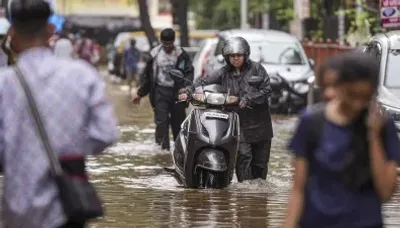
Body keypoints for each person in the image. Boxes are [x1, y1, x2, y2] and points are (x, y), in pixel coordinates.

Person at [0, 1, 119, 227]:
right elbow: (106, 134)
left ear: (12, 34)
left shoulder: (4, 83)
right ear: (50, 30)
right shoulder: (82, 76)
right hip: (67, 207)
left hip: (18, 210)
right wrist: (69, 146)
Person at [284, 53, 400, 228]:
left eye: (365, 98)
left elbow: (385, 192)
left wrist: (373, 137)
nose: (357, 104)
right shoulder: (311, 123)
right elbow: (298, 189)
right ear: (340, 87)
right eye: (353, 95)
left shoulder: (383, 126)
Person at [183, 36, 273, 182]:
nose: (235, 59)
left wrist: (249, 98)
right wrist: (189, 89)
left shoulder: (257, 69)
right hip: (238, 123)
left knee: (260, 164)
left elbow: (267, 91)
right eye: (232, 56)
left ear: (245, 55)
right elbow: (204, 81)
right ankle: (244, 191)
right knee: (243, 157)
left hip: (260, 124)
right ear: (227, 57)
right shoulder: (223, 72)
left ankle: (258, 198)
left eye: (238, 55)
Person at [132, 28, 194, 151]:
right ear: (161, 41)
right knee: (161, 123)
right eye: (165, 44)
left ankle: (179, 150)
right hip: (160, 92)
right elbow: (148, 77)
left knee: (178, 124)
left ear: (174, 42)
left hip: (177, 93)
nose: (167, 46)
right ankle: (162, 150)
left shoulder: (181, 54)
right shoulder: (154, 54)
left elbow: (189, 72)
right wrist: (140, 93)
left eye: (170, 43)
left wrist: (186, 88)